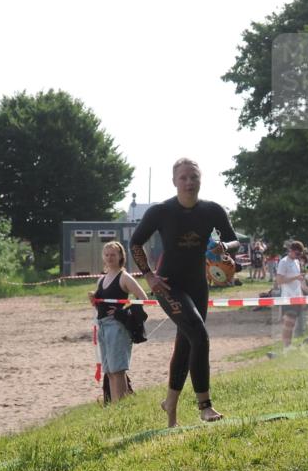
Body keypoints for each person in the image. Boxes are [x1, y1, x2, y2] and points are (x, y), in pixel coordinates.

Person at [130, 158, 238, 427]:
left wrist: (223, 249)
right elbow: (135, 243)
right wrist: (149, 276)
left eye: (194, 177)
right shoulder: (161, 211)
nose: (189, 182)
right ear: (175, 181)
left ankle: (170, 405)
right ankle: (205, 406)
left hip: (198, 285)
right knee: (199, 335)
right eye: (184, 178)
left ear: (200, 179)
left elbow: (234, 240)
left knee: (187, 343)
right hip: (168, 285)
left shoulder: (213, 210)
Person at [88, 241, 148, 405]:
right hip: (103, 326)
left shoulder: (125, 277)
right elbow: (99, 302)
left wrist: (124, 312)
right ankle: (116, 406)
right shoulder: (101, 279)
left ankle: (121, 407)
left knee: (118, 369)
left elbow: (143, 298)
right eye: (106, 254)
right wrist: (94, 297)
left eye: (113, 254)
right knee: (109, 370)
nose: (109, 257)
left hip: (117, 327)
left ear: (121, 256)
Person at [275, 241, 308, 352]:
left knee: (292, 323)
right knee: (288, 323)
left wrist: (302, 296)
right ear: (291, 250)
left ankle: (289, 346)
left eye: (300, 254)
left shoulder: (297, 262)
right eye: (297, 253)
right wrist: (295, 277)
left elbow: (298, 282)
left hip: (297, 296)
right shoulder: (283, 262)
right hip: (287, 297)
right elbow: (279, 280)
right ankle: (286, 347)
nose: (298, 256)